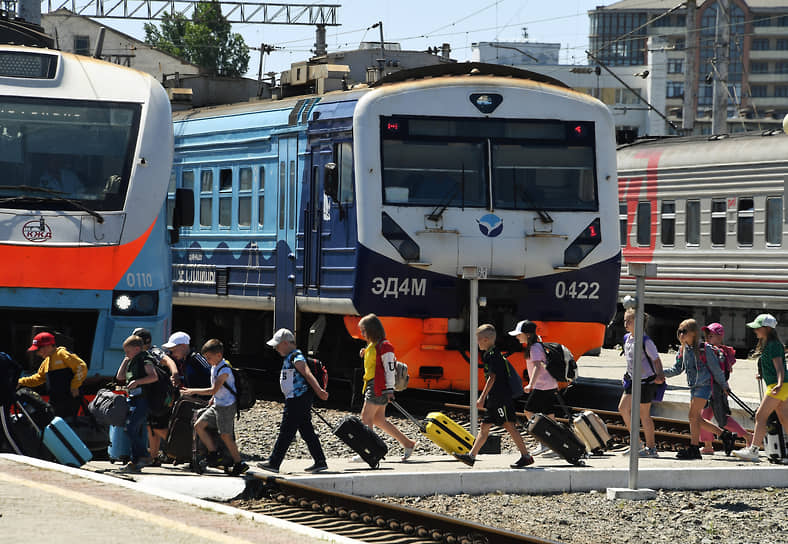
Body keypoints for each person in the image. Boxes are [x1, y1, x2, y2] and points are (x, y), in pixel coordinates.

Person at [455, 324, 534, 469]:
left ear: (485, 340)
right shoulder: (491, 354)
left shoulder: (492, 355)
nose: (477, 343)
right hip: (495, 398)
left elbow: (492, 377)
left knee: (509, 425)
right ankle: (471, 457)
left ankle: (526, 456)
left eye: (478, 340)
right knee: (484, 427)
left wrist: (482, 397)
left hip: (500, 398)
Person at [257, 328, 329, 473]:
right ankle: (320, 460)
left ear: (285, 343)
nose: (276, 348)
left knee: (286, 430)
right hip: (297, 398)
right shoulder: (290, 357)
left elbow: (307, 373)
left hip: (297, 399)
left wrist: (319, 391)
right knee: (306, 430)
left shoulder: (296, 356)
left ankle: (274, 462)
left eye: (277, 345)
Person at [664, 319, 737, 460]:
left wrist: (724, 385)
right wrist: (659, 373)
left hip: (704, 387)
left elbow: (716, 370)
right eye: (679, 331)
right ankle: (725, 436)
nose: (681, 334)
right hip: (693, 387)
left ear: (693, 333)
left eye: (684, 331)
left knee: (692, 416)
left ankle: (694, 448)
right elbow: (677, 369)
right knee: (697, 418)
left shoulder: (705, 349)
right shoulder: (683, 349)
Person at [354, 314, 417, 462]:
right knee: (378, 419)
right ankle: (408, 443)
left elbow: (389, 369)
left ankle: (368, 450)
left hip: (378, 386)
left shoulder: (385, 346)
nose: (362, 334)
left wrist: (389, 389)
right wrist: (365, 353)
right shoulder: (372, 345)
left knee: (366, 417)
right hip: (374, 384)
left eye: (364, 331)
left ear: (372, 330)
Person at [181, 339, 249, 476]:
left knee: (226, 435)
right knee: (198, 425)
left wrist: (193, 390)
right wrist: (212, 399)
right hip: (217, 404)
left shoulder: (224, 369)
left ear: (218, 355)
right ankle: (213, 453)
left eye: (209, 357)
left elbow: (213, 389)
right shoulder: (214, 367)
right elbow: (217, 391)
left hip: (226, 406)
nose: (207, 360)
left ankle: (239, 462)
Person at [733, 314, 788, 461]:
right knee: (785, 419)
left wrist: (779, 383)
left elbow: (780, 367)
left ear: (767, 328)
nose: (755, 330)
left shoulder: (773, 345)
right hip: (781, 386)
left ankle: (753, 451)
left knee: (760, 416)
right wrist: (763, 375)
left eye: (758, 328)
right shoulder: (771, 344)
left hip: (778, 387)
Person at [617, 309, 665, 458]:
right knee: (623, 408)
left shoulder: (646, 341)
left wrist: (660, 375)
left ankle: (651, 448)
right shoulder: (627, 338)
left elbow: (656, 360)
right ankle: (637, 443)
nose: (626, 324)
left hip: (646, 382)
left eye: (629, 321)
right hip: (632, 380)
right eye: (625, 320)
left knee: (644, 415)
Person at [699, 322, 752, 454]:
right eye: (708, 334)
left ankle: (747, 436)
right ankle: (707, 446)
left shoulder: (718, 353)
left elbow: (719, 373)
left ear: (720, 337)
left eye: (712, 335)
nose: (709, 337)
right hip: (710, 389)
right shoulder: (714, 350)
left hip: (717, 390)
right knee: (703, 417)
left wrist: (724, 386)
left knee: (722, 419)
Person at [509, 319, 558, 456]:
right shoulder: (537, 345)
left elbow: (537, 365)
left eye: (519, 334)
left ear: (528, 335)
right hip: (549, 385)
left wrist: (531, 384)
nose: (517, 336)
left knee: (529, 412)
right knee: (549, 417)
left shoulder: (535, 347)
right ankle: (556, 445)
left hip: (542, 386)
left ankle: (543, 442)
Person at [132, 327, 179, 466]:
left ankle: (182, 451)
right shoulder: (141, 354)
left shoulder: (154, 351)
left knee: (159, 427)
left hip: (162, 396)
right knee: (151, 426)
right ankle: (153, 457)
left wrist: (174, 373)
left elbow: (168, 360)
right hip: (153, 396)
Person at [18, 332, 87, 420]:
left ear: (48, 346)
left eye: (38, 349)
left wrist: (75, 386)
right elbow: (38, 378)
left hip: (69, 400)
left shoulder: (62, 354)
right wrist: (20, 382)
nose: (38, 353)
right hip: (55, 401)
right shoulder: (46, 362)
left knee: (67, 424)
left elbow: (81, 366)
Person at [115, 335, 158, 472]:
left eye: (128, 351)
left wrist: (138, 382)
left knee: (130, 428)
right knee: (135, 430)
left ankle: (145, 456)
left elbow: (153, 376)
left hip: (142, 400)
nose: (126, 354)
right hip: (134, 399)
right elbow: (120, 377)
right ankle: (135, 461)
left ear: (137, 349)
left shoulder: (145, 359)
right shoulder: (133, 361)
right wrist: (126, 360)